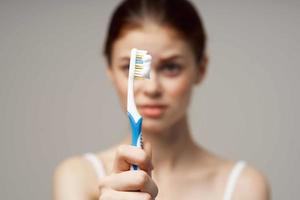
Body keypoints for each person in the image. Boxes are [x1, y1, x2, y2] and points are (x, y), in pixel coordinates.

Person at [53, 0, 271, 199]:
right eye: (130, 68)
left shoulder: (245, 185)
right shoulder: (77, 177)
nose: (152, 88)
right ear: (109, 70)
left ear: (201, 69)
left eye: (171, 67)